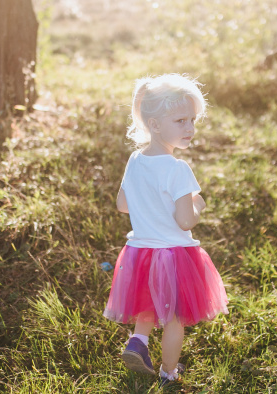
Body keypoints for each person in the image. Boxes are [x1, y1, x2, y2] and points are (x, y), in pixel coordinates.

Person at [103, 73, 229, 387]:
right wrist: (198, 204)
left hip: (140, 251)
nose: (190, 128)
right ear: (155, 125)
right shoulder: (177, 168)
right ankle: (168, 373)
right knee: (174, 318)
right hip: (173, 254)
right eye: (180, 121)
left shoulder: (135, 160)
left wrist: (149, 204)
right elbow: (185, 221)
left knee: (147, 301)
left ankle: (138, 341)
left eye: (192, 120)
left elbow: (122, 204)